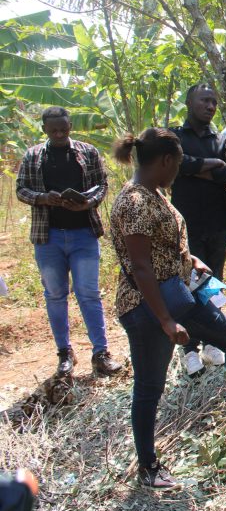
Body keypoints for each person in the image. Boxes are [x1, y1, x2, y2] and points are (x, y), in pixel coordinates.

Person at [109, 128, 226, 488]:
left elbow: (163, 248)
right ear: (167, 160)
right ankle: (149, 467)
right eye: (179, 162)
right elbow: (140, 267)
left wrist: (193, 259)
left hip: (172, 294)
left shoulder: (153, 194)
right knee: (150, 386)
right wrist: (166, 320)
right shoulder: (136, 202)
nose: (178, 170)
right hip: (150, 305)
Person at [15, 106, 121, 378]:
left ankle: (101, 353)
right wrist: (43, 198)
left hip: (83, 234)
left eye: (64, 129)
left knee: (89, 293)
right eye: (54, 131)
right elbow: (21, 189)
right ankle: (65, 353)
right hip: (48, 236)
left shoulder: (88, 152)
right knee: (55, 295)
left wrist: (88, 202)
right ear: (45, 130)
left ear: (70, 126)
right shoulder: (33, 156)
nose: (60, 134)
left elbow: (102, 185)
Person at [170, 83, 226, 376]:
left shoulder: (220, 138)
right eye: (204, 100)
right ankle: (189, 349)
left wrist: (197, 169)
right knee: (187, 286)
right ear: (188, 102)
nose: (210, 106)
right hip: (185, 225)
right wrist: (209, 165)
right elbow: (176, 163)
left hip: (218, 222)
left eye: (214, 102)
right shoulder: (174, 137)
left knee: (212, 283)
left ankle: (213, 341)